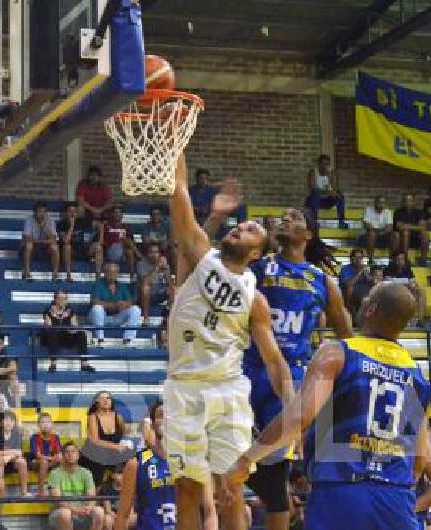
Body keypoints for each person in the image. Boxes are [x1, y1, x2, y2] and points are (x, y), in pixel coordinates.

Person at [224, 282, 431, 529]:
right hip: (395, 498)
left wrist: (247, 459)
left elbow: (299, 416)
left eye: (366, 300)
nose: (362, 303)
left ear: (371, 309)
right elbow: (418, 463)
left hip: (342, 490)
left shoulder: (338, 352)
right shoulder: (417, 376)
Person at [165, 154, 295, 530]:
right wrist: (177, 143)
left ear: (256, 253)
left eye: (252, 230)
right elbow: (179, 193)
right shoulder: (201, 254)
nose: (243, 228)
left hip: (228, 391)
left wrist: (292, 411)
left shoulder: (255, 299)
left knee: (230, 488)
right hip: (184, 388)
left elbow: (273, 361)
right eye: (242, 225)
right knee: (187, 489)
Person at [224, 207, 352, 530]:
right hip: (247, 369)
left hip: (289, 378)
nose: (285, 219)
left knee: (275, 475)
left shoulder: (323, 281)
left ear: (308, 234)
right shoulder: (258, 266)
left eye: (294, 218)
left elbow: (348, 336)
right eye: (283, 216)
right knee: (227, 462)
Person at [114, 400, 175, 530]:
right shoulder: (136, 463)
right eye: (161, 415)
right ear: (152, 424)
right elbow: (122, 516)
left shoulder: (191, 462)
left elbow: (209, 509)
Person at [47, 441, 105, 530]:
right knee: (65, 513)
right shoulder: (55, 473)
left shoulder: (86, 473)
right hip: (61, 513)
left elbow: (92, 497)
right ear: (63, 455)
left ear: (78, 455)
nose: (70, 454)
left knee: (99, 511)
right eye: (67, 452)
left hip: (83, 512)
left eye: (73, 452)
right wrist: (74, 510)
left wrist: (88, 508)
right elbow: (58, 500)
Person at [81, 391, 132, 487]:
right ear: (97, 402)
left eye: (108, 398)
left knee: (131, 457)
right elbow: (95, 441)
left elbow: (122, 437)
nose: (105, 400)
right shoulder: (93, 417)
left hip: (112, 454)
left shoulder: (119, 417)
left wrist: (124, 446)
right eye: (102, 398)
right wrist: (116, 446)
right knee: (100, 457)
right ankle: (98, 490)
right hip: (94, 453)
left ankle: (123, 486)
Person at [89, 263, 143, 345]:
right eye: (109, 272)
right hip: (102, 317)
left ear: (117, 274)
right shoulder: (98, 284)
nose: (112, 274)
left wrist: (124, 304)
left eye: (114, 272)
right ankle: (100, 339)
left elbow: (130, 302)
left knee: (136, 309)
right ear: (105, 273)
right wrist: (114, 305)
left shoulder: (122, 286)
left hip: (117, 317)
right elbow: (94, 301)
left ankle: (128, 339)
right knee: (97, 308)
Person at [40, 291, 93, 373]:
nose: (62, 301)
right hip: (52, 337)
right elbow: (49, 326)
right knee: (53, 333)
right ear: (55, 300)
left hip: (65, 335)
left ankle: (84, 364)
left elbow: (75, 326)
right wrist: (58, 319)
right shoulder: (48, 311)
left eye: (64, 299)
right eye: (60, 298)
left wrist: (72, 330)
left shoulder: (70, 311)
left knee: (81, 334)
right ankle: (53, 364)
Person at [57, 201, 104, 281]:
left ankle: (98, 276)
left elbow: (100, 225)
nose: (72, 214)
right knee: (67, 247)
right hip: (71, 252)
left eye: (74, 211)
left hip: (84, 250)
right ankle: (68, 274)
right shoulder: (61, 224)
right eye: (70, 211)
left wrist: (100, 240)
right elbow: (66, 240)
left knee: (98, 247)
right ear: (66, 213)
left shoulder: (83, 221)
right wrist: (71, 226)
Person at [0, 410, 31, 497]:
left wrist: (8, 457)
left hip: (12, 462)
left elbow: (19, 453)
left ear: (14, 423)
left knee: (22, 462)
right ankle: (0, 492)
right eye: (6, 420)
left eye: (11, 420)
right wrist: (10, 453)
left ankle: (24, 491)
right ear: (1, 422)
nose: (9, 422)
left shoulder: (16, 434)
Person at [136, 243, 175, 327]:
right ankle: (146, 318)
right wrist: (157, 267)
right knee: (145, 288)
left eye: (156, 252)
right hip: (145, 295)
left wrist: (165, 270)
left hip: (159, 293)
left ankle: (166, 318)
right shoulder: (141, 264)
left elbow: (170, 284)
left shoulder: (164, 264)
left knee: (173, 290)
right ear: (147, 253)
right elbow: (145, 281)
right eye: (151, 252)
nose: (154, 255)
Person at [304, 154, 348, 229]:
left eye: (327, 164)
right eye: (323, 164)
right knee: (315, 196)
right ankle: (314, 222)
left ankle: (341, 222)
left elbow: (335, 189)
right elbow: (313, 190)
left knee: (340, 195)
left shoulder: (332, 173)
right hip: (313, 201)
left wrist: (329, 175)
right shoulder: (313, 173)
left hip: (326, 201)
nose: (324, 166)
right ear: (319, 164)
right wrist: (328, 192)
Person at [384, 251, 427, 326]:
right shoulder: (387, 269)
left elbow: (413, 282)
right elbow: (389, 283)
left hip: (407, 291)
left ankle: (420, 320)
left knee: (421, 292)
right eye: (398, 259)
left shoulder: (407, 269)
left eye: (402, 259)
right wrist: (406, 283)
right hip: (393, 292)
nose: (401, 261)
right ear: (394, 260)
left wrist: (410, 285)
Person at [21, 200, 60, 282]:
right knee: (29, 245)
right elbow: (27, 238)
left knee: (55, 247)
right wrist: (42, 241)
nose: (41, 214)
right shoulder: (29, 220)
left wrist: (45, 227)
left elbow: (53, 239)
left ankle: (55, 274)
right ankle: (27, 272)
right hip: (32, 247)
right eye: (39, 211)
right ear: (34, 212)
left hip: (44, 247)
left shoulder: (50, 221)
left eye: (44, 212)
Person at [29, 412, 64, 497]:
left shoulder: (55, 437)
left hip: (51, 463)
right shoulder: (34, 437)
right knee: (44, 462)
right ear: (38, 425)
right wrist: (53, 458)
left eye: (48, 422)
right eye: (42, 422)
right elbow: (38, 455)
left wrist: (57, 458)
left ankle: (63, 489)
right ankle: (41, 491)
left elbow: (59, 454)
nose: (45, 424)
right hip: (36, 463)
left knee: (64, 461)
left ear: (52, 424)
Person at [103, 206, 140, 279]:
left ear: (122, 215)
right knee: (126, 240)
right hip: (111, 251)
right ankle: (138, 254)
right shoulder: (106, 226)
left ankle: (132, 272)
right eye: (115, 212)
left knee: (129, 250)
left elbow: (131, 241)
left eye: (119, 212)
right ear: (112, 214)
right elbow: (103, 241)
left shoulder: (126, 227)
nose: (117, 214)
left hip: (123, 253)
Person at [393, 193, 429, 264]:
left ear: (413, 202)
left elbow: (422, 227)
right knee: (406, 233)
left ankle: (423, 260)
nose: (408, 202)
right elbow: (399, 226)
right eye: (406, 200)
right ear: (403, 202)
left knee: (425, 235)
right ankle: (405, 259)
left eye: (410, 200)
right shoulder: (398, 212)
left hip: (416, 238)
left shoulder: (419, 212)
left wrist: (407, 226)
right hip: (403, 239)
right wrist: (415, 227)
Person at [361, 195, 393, 261]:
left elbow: (389, 227)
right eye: (379, 202)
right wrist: (379, 230)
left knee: (395, 235)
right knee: (372, 234)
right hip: (370, 235)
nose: (381, 204)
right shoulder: (368, 210)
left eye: (383, 202)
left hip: (384, 235)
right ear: (375, 202)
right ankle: (370, 259)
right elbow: (367, 225)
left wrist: (381, 231)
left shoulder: (388, 212)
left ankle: (391, 259)